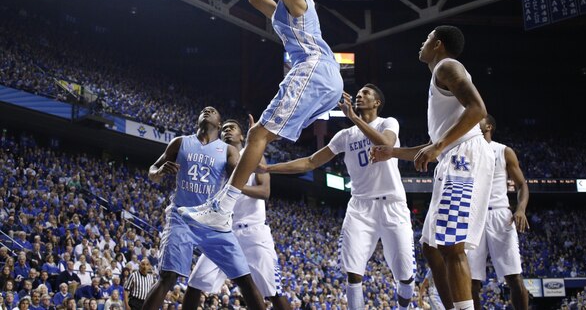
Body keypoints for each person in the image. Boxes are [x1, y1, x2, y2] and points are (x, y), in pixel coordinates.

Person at [178, 0, 343, 232]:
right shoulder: (284, 10)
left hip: (313, 67)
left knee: (258, 135)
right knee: (261, 135)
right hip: (325, 78)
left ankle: (222, 208)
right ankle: (223, 206)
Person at [371, 25, 495, 310]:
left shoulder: (448, 66)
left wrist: (438, 147)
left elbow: (478, 109)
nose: (422, 43)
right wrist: (392, 152)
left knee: (452, 245)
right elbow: (432, 143)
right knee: (431, 246)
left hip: (464, 157)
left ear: (438, 44)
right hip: (453, 154)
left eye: (426, 39)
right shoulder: (439, 80)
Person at [260, 84, 416, 310]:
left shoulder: (388, 123)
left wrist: (353, 118)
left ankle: (404, 306)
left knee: (405, 275)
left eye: (366, 94)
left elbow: (387, 145)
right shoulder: (345, 136)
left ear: (377, 103)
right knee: (353, 274)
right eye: (359, 93)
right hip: (360, 207)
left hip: (392, 204)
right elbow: (311, 162)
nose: (360, 96)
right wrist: (269, 169)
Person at [141, 107, 265, 310]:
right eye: (204, 110)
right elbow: (152, 171)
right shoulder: (180, 142)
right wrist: (160, 171)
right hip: (182, 218)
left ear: (219, 122)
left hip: (214, 221)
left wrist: (254, 144)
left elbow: (242, 173)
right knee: (168, 276)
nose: (207, 111)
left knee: (245, 279)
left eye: (213, 111)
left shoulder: (227, 150)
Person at [184, 119, 290, 310]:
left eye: (232, 128)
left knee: (273, 293)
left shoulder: (253, 157)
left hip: (253, 231)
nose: (227, 131)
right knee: (195, 283)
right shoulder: (217, 163)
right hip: (224, 231)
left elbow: (264, 192)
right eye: (223, 129)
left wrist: (236, 186)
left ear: (242, 136)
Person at [466, 115, 529, 310]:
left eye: (479, 119)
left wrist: (520, 209)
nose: (473, 121)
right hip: (472, 217)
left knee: (513, 277)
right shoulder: (465, 152)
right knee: (471, 282)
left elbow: (522, 185)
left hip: (499, 215)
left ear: (489, 126)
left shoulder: (503, 151)